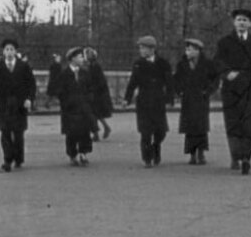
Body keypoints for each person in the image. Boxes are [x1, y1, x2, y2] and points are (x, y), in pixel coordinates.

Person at [214, 9, 251, 175]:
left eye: (245, 20)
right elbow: (217, 61)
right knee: (234, 124)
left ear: (250, 24)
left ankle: (246, 158)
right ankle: (235, 155)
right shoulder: (224, 42)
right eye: (239, 19)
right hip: (232, 89)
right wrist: (226, 73)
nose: (242, 23)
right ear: (234, 22)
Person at [124, 36, 174, 168]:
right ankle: (147, 158)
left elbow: (169, 83)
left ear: (152, 49)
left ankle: (156, 146)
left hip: (158, 101)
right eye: (140, 48)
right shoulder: (138, 64)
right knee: (145, 132)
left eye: (143, 48)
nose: (141, 50)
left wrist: (170, 99)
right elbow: (133, 83)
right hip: (144, 102)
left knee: (160, 132)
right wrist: (127, 99)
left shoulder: (163, 63)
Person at [0, 39, 37, 172]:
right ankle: (7, 160)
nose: (9, 52)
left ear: (15, 52)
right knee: (5, 132)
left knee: (18, 132)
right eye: (7, 50)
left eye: (11, 49)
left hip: (20, 103)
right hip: (4, 103)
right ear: (3, 52)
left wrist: (29, 99)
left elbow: (31, 84)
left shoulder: (24, 66)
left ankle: (19, 158)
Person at [173, 38, 219, 165]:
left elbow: (215, 79)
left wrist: (208, 91)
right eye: (187, 49)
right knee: (189, 127)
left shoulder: (207, 64)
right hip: (188, 99)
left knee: (201, 127)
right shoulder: (182, 64)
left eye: (190, 50)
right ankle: (192, 154)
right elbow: (176, 79)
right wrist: (179, 91)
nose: (187, 52)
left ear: (197, 51)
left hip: (201, 99)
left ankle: (201, 152)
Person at [57, 47, 94, 166]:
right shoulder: (64, 74)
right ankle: (72, 154)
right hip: (70, 109)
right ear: (73, 59)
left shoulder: (85, 73)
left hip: (83, 107)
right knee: (71, 133)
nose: (82, 59)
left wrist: (89, 100)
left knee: (85, 132)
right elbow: (60, 91)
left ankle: (83, 153)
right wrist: (67, 103)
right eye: (80, 57)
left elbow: (90, 88)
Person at [84, 47, 113, 142]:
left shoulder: (95, 66)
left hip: (97, 94)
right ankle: (100, 130)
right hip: (96, 92)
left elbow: (98, 81)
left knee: (94, 114)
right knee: (96, 114)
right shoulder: (93, 66)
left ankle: (97, 133)